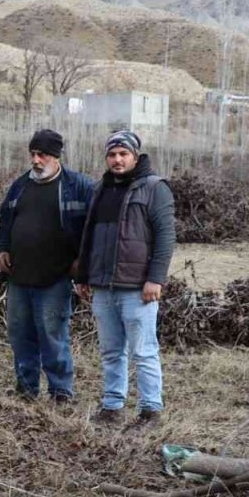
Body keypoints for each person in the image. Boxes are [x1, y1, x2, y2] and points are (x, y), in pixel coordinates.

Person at [75, 129, 176, 429]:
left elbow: (166, 237)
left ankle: (150, 411)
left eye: (123, 154)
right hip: (103, 287)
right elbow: (89, 236)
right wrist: (83, 276)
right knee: (110, 351)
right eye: (112, 154)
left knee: (143, 351)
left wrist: (155, 279)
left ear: (135, 156)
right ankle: (112, 407)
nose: (117, 160)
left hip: (137, 288)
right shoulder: (101, 189)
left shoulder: (155, 188)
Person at [0, 129, 94, 404]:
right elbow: (5, 220)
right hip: (19, 276)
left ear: (56, 156)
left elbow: (93, 229)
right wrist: (2, 247)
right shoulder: (20, 185)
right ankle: (26, 388)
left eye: (43, 155)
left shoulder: (79, 186)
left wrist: (81, 263)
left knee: (52, 334)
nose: (36, 160)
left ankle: (60, 390)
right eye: (33, 154)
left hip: (56, 277)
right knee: (19, 334)